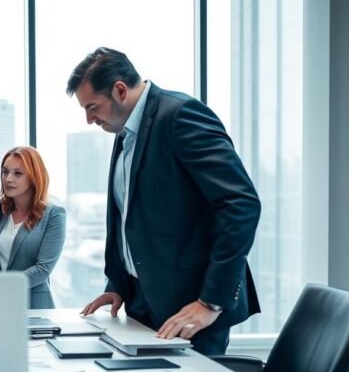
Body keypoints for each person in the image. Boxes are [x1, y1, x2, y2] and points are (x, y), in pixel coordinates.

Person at [70, 47, 261, 355]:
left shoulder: (181, 115)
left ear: (120, 90)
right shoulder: (125, 133)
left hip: (190, 309)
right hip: (142, 302)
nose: (89, 119)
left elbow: (241, 203)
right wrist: (118, 285)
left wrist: (210, 302)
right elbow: (128, 217)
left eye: (93, 107)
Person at [0, 147, 66, 308]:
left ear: (34, 177)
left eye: (17, 173)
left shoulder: (54, 215)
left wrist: (4, 287)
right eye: (5, 172)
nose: (8, 179)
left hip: (33, 306)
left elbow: (43, 269)